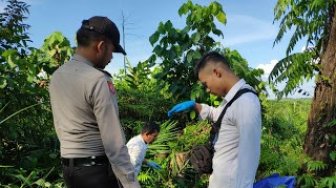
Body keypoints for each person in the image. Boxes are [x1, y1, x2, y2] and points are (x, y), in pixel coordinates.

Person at [49, 16, 140, 188]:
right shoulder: (97, 79)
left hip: (70, 172)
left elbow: (60, 128)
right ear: (101, 46)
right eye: (112, 51)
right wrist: (131, 183)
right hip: (97, 174)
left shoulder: (57, 76)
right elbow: (114, 144)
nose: (112, 57)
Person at [168, 51, 262, 188]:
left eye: (205, 84)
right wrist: (196, 106)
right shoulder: (234, 100)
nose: (207, 90)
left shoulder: (245, 102)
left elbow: (249, 157)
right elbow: (220, 116)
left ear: (217, 72)